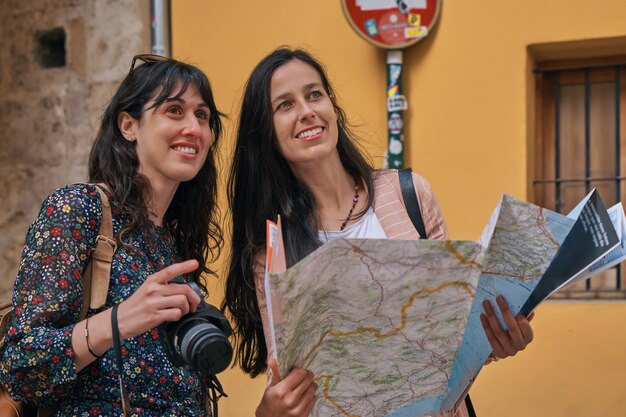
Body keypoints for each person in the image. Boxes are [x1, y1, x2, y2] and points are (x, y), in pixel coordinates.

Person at [223, 47, 535, 417]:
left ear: (332, 105)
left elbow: (451, 334)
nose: (306, 111)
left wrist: (493, 341)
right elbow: (286, 378)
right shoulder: (273, 249)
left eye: (314, 94)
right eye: (285, 105)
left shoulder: (409, 194)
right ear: (267, 132)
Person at [0, 55, 224, 416]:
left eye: (202, 116)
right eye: (174, 111)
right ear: (128, 125)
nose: (193, 128)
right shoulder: (78, 209)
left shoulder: (173, 242)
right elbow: (20, 367)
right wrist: (117, 322)